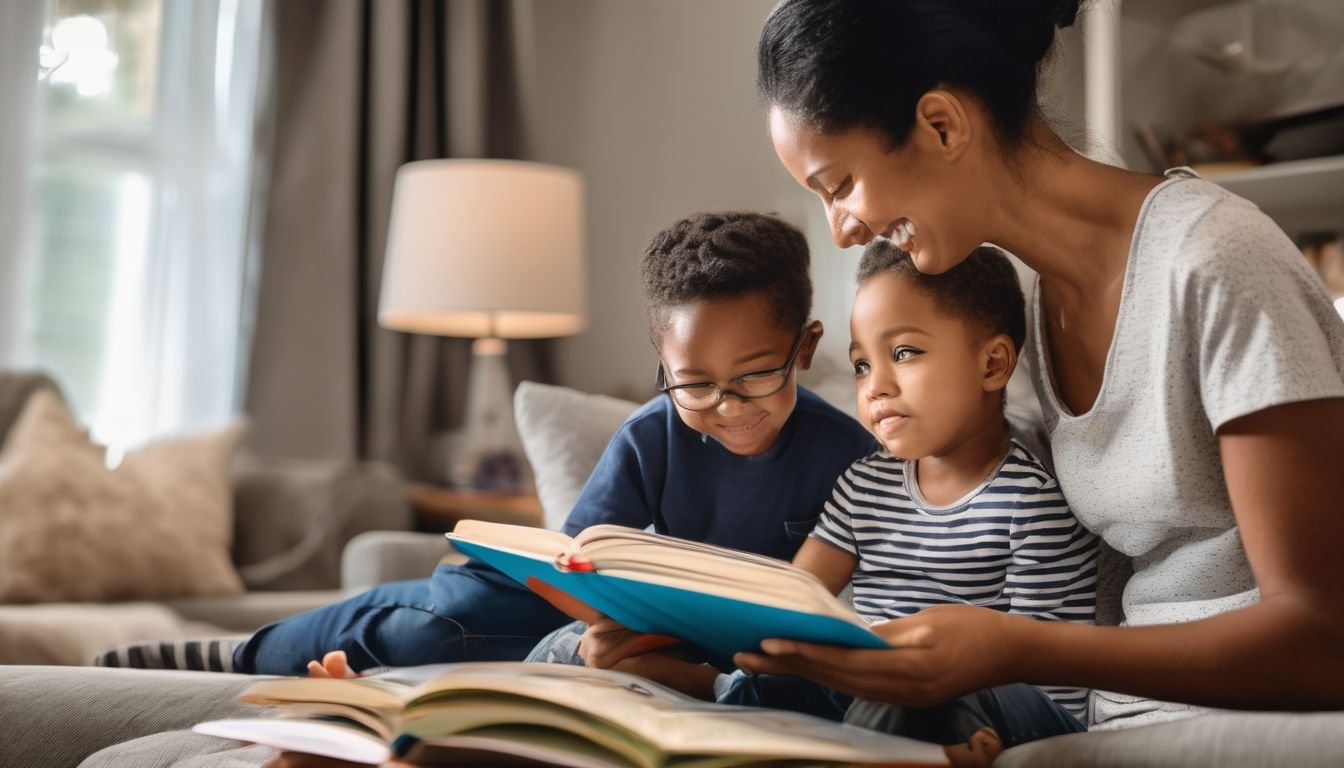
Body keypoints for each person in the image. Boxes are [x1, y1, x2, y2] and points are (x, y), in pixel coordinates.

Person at [737, 0, 1344, 735]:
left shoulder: (1213, 261)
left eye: (839, 186)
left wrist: (1014, 648)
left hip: (1249, 722)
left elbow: (1323, 641)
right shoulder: (1033, 300)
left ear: (942, 124)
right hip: (1117, 722)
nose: (843, 232)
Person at [231, 209, 875, 677]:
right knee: (439, 625)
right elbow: (571, 570)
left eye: (756, 375)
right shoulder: (654, 433)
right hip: (575, 606)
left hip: (707, 644)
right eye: (695, 383)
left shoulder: (848, 454)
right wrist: (622, 622)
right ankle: (241, 650)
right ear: (663, 366)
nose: (728, 405)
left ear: (807, 348)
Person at [560, 242, 1098, 767]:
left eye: (904, 353)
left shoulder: (1029, 501)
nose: (876, 386)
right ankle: (748, 703)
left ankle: (902, 744)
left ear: (993, 364)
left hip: (1003, 702)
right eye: (862, 365)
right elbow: (788, 603)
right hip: (875, 690)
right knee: (811, 676)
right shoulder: (865, 484)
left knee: (907, 699)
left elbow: (1046, 671)